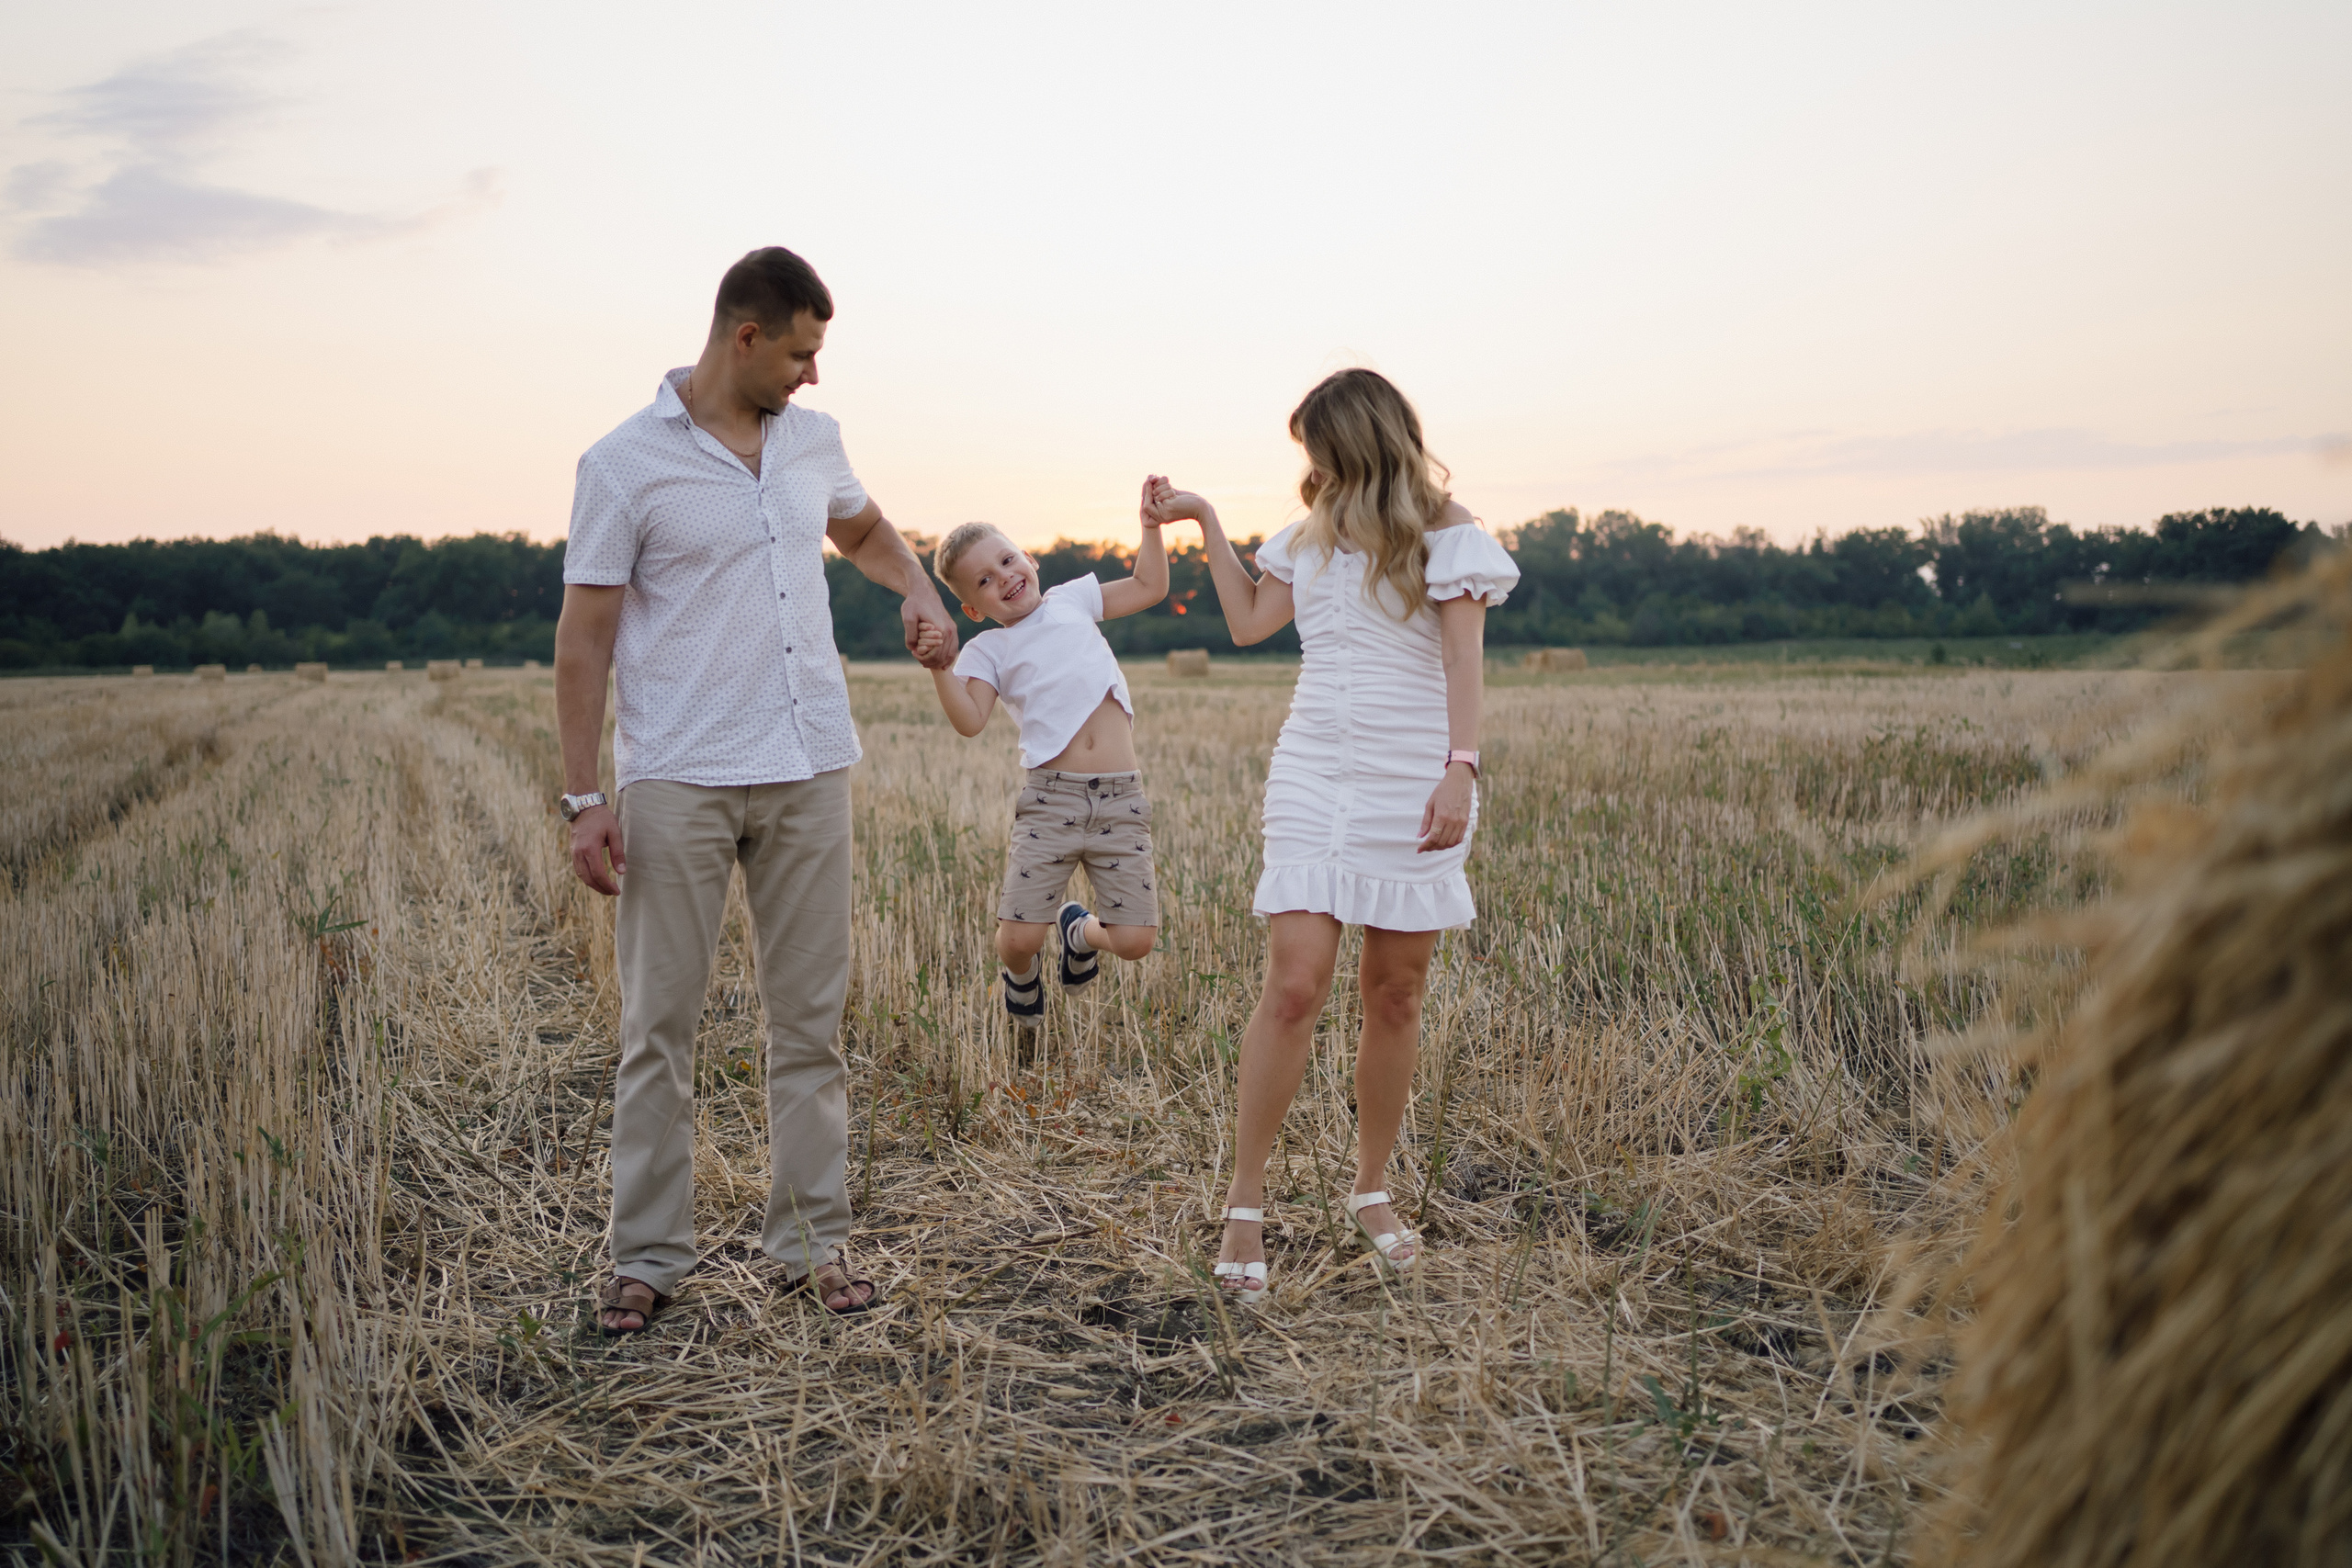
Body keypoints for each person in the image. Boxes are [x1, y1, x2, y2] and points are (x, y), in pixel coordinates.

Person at [555, 246, 959, 1334]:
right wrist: (583, 797)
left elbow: (864, 530)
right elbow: (584, 639)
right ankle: (645, 1257)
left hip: (809, 765)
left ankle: (812, 1243)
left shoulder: (812, 443)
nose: (812, 376)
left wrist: (918, 588)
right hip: (679, 777)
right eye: (800, 353)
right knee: (659, 1031)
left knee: (811, 1027)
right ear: (745, 338)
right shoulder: (623, 464)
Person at [1145, 369, 1519, 1304]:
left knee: (1395, 990)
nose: (1310, 466)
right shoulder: (1306, 536)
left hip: (1413, 773)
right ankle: (1243, 1201)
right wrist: (1206, 522)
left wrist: (1461, 768)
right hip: (1313, 769)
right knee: (1295, 983)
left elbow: (1463, 659)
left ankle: (1371, 1189)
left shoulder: (1447, 531)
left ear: (1357, 438)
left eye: (1316, 446)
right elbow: (1242, 624)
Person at [918, 482, 1170, 1027]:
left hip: (1121, 797)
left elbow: (1151, 586)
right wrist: (941, 666)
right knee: (1018, 940)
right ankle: (1021, 974)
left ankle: (1079, 932)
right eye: (984, 580)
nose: (1004, 577)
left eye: (1008, 560)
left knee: (1135, 940)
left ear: (1029, 559)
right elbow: (969, 722)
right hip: (1051, 803)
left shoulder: (1073, 600)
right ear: (972, 608)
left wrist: (1150, 527)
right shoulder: (990, 649)